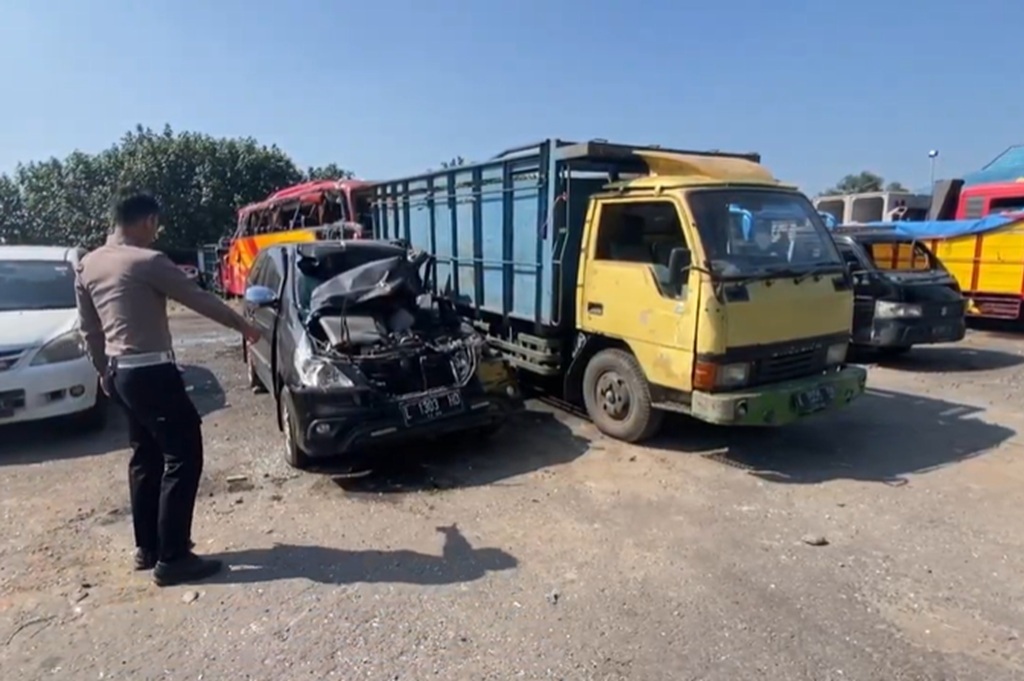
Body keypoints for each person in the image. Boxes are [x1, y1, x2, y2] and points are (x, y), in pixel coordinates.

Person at [75, 191, 261, 587]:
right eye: (156, 225)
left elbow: (89, 330)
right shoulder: (147, 261)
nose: (156, 232)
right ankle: (173, 558)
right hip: (152, 373)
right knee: (183, 454)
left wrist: (104, 373)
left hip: (122, 373)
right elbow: (197, 299)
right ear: (146, 221)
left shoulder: (89, 264)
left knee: (145, 456)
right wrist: (243, 326)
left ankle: (149, 547)